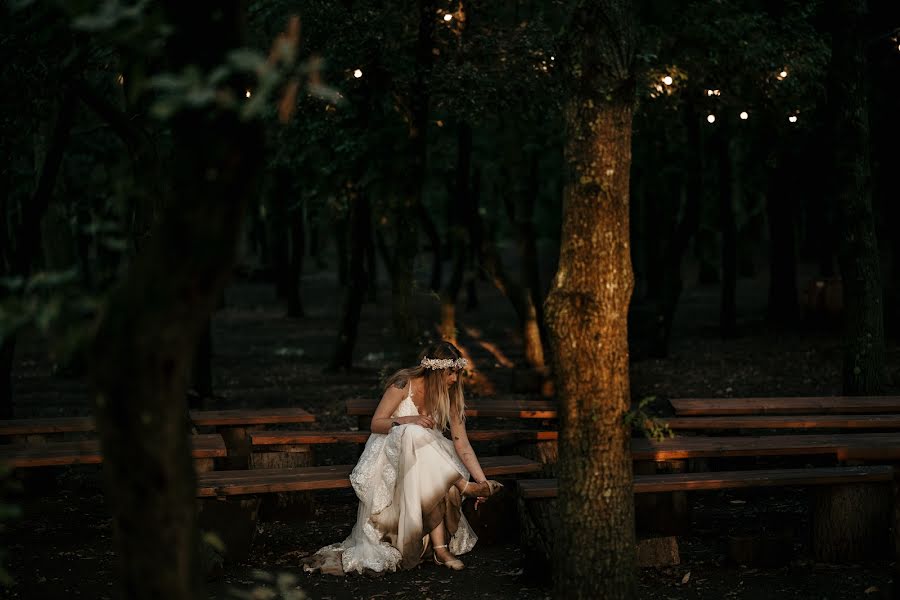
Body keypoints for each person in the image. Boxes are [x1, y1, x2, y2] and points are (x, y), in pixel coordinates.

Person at [304, 341, 503, 575]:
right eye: (451, 374)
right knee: (414, 432)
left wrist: (482, 481)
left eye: (457, 373)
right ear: (436, 371)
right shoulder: (403, 383)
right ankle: (460, 489)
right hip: (390, 450)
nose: (455, 380)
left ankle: (441, 547)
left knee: (431, 466)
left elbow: (462, 443)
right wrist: (409, 420)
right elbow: (376, 423)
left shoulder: (450, 395)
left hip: (426, 458)